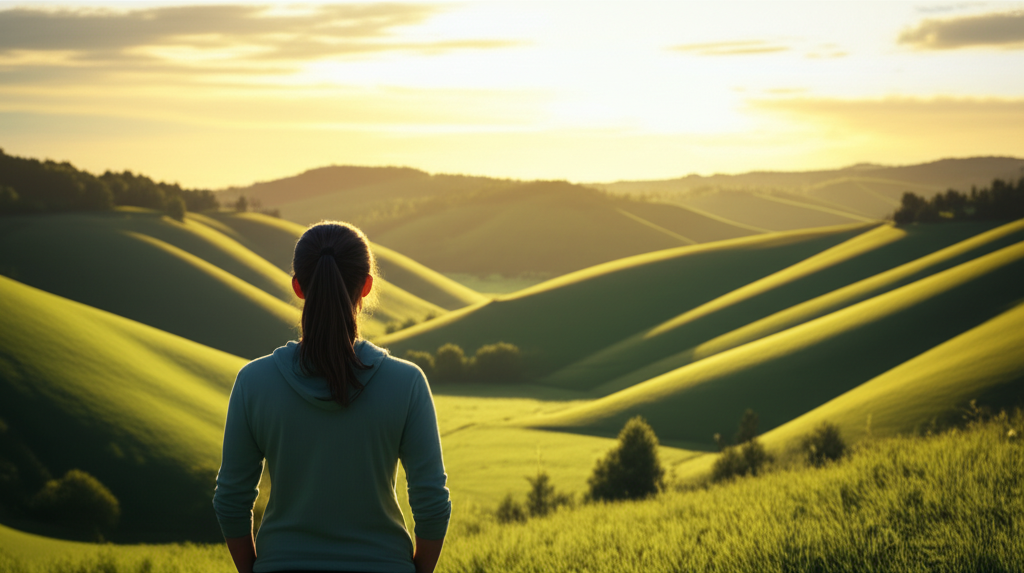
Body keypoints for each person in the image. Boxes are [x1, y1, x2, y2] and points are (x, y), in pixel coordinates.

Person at [213, 221, 451, 573]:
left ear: (298, 286)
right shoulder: (407, 382)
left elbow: (230, 501)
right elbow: (432, 504)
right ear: (367, 286)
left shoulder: (254, 382)